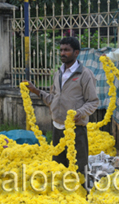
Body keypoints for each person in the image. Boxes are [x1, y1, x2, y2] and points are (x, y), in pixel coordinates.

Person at [26, 37, 100, 175]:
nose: (62, 53)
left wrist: (79, 112)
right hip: (57, 128)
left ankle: (83, 195)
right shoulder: (58, 73)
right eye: (61, 50)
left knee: (78, 169)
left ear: (76, 52)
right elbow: (53, 99)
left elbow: (93, 101)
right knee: (58, 168)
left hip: (76, 129)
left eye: (66, 50)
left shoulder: (84, 74)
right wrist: (35, 91)